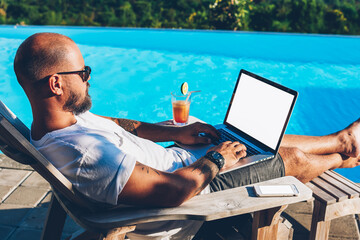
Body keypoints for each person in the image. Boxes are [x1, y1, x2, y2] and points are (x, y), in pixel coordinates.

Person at [13, 32, 360, 240]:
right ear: (56, 83)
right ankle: (347, 155)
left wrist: (176, 131)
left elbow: (119, 124)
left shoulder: (62, 122)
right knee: (290, 160)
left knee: (257, 141)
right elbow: (173, 190)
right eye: (83, 72)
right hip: (193, 186)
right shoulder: (84, 154)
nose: (89, 79)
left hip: (183, 161)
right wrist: (218, 157)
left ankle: (341, 140)